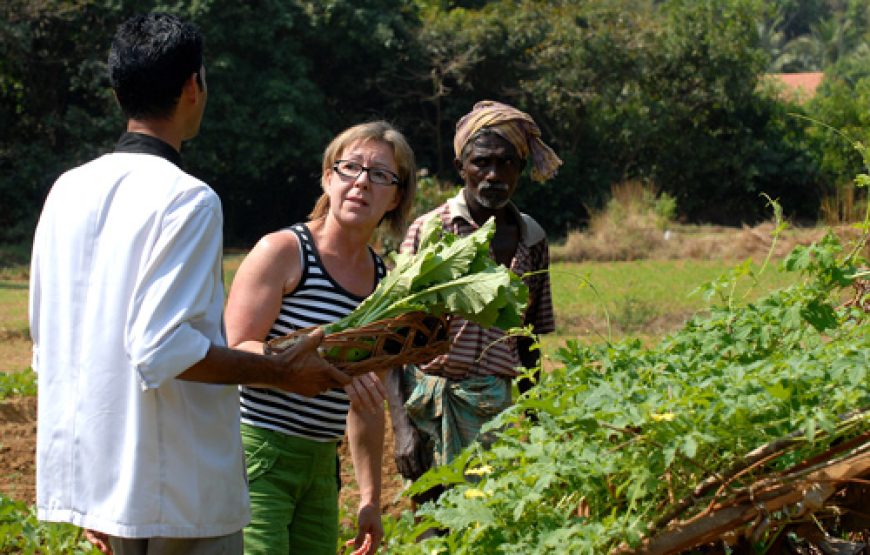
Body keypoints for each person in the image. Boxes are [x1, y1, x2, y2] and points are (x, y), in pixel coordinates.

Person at [29, 13, 352, 555]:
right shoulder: (188, 199)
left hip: (105, 486)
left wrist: (93, 493)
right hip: (178, 492)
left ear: (118, 92)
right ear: (192, 87)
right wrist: (278, 371)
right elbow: (163, 348)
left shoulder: (67, 189)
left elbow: (50, 343)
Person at [223, 120, 417, 554]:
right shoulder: (284, 252)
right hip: (257, 453)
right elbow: (235, 350)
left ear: (396, 196)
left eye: (380, 175)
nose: (362, 183)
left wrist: (369, 497)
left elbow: (368, 401)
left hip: (321, 468)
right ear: (329, 177)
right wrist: (314, 362)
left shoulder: (384, 284)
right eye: (351, 168)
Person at [386, 99, 559, 506]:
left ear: (521, 168)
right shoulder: (431, 230)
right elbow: (394, 338)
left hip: (495, 409)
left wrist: (533, 416)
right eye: (482, 162)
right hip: (430, 405)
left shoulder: (532, 239)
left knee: (488, 521)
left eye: (507, 163)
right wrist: (402, 428)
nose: (494, 175)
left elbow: (529, 339)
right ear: (462, 166)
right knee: (432, 524)